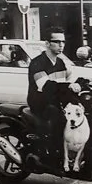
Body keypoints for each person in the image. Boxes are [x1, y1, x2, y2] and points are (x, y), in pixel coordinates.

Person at [27, 28, 73, 165]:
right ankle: (52, 155)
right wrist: (68, 87)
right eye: (57, 42)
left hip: (56, 100)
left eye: (63, 42)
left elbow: (67, 83)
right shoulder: (37, 63)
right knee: (57, 116)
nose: (61, 45)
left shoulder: (61, 62)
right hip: (40, 102)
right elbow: (46, 86)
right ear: (47, 44)